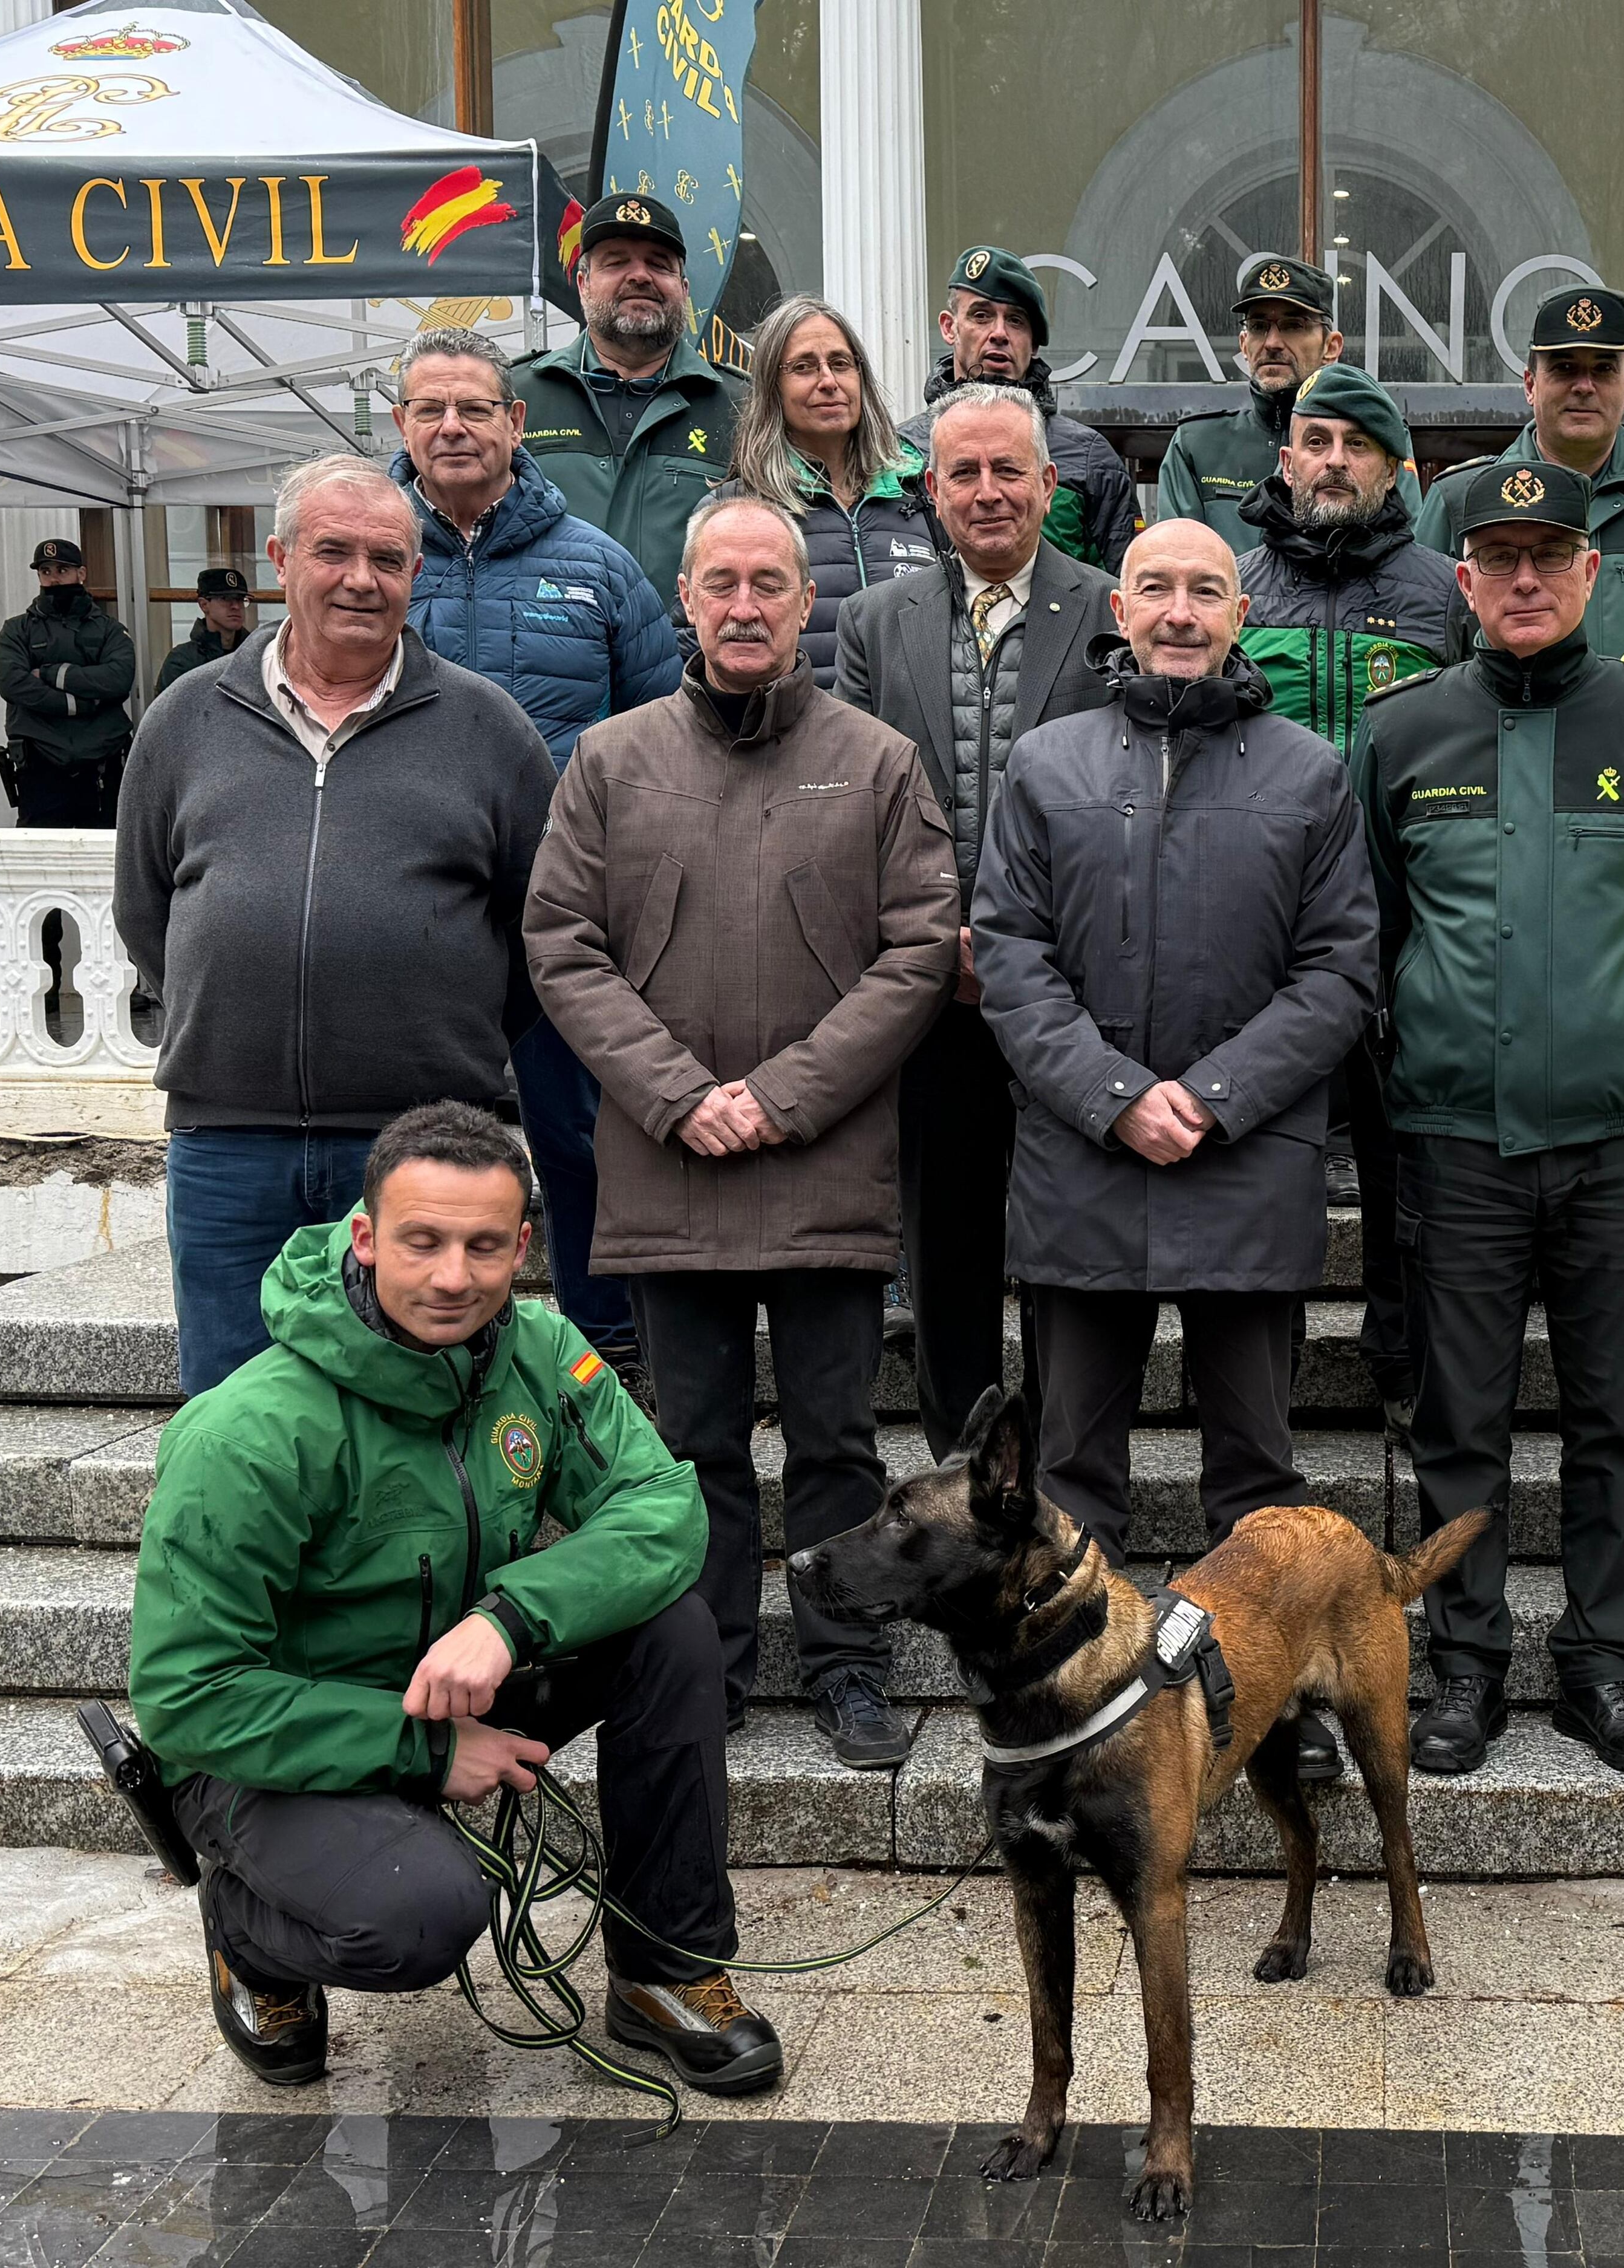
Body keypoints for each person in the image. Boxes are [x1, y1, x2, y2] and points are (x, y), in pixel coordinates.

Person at [129, 1101, 781, 2098]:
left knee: (673, 1630)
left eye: (484, 1246)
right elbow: (189, 1699)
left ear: (523, 1245)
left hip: (460, 1675)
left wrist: (508, 1619)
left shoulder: (539, 1352)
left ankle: (665, 1973)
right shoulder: (247, 1434)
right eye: (422, 1242)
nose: (453, 1277)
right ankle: (250, 1936)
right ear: (365, 1236)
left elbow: (662, 1507)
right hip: (271, 1748)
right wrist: (428, 1751)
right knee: (421, 1918)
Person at [527, 491, 959, 1765]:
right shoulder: (610, 762)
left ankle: (846, 1662)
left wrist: (783, 1096)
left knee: (834, 1441)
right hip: (670, 1171)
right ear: (686, 598)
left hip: (825, 1164)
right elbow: (561, 944)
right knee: (693, 1442)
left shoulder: (876, 761)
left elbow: (920, 948)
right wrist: (677, 1096)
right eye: (722, 582)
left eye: (769, 582)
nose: (746, 605)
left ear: (805, 601)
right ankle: (704, 1664)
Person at [1359, 463, 1624, 1780]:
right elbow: (1372, 931)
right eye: (1498, 561)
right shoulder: (1402, 730)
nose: (1524, 581)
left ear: (1592, 572)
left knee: (1615, 1417)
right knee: (1460, 1418)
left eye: (1550, 558)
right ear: (1461, 580)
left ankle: (1600, 1665)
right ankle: (1464, 1671)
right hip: (1454, 1138)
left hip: (1617, 1139)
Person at [971, 518, 1375, 1778]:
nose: (1182, 611)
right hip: (1083, 1169)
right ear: (1120, 609)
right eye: (1157, 588)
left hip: (1243, 1164)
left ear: (1239, 613)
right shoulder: (1045, 764)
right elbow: (1010, 954)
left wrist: (1204, 1097)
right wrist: (1112, 1093)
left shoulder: (1308, 771)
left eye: (1208, 589)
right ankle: (1076, 1707)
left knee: (1253, 1469)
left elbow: (1340, 968)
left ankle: (1265, 1704)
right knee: (1072, 1464)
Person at [116, 455, 554, 1398]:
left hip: (423, 1144)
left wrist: (434, 1030)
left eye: (388, 559)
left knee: (417, 1408)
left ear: (416, 574)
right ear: (280, 559)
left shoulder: (489, 729)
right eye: (334, 552)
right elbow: (147, 907)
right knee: (234, 1414)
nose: (362, 578)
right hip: (229, 1138)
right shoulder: (185, 719)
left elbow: (539, 931)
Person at [391, 324, 680, 1390]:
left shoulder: (597, 571)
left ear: (517, 424)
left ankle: (611, 1359)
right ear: (402, 426)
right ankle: (428, 1358)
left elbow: (667, 737)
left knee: (581, 1139)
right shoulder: (375, 563)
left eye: (476, 407)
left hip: (569, 919)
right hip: (418, 926)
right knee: (424, 1147)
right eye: (433, 409)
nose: (455, 427)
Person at [836, 383, 1121, 1462]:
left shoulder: (1108, 611)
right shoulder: (873, 624)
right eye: (966, 473)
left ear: (1050, 484)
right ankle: (961, 1463)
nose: (989, 493)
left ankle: (1050, 1455)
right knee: (945, 1243)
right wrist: (938, 940)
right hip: (931, 992)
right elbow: (859, 799)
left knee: (1061, 1238)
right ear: (932, 491)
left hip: (1070, 993)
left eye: (1011, 471)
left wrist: (1022, 954)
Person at [1231, 360, 1461, 1437]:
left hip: (1408, 918)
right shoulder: (1234, 586)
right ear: (1285, 457)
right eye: (1314, 441)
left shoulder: (1437, 591)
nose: (1332, 461)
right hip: (1263, 928)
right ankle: (1256, 1370)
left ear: (1394, 466)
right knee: (1270, 1161)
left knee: (1402, 1160)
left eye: (1355, 445)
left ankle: (1402, 1360)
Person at [1412, 287, 1624, 657]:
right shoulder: (1459, 497)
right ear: (1530, 385)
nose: (1584, 386)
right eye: (1564, 368)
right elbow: (1419, 639)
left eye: (1603, 369)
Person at [511, 192, 746, 594]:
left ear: (684, 289)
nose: (640, 276)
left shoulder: (742, 408)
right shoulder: (518, 398)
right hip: (549, 649)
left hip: (688, 654)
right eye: (616, 262)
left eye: (659, 264)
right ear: (583, 284)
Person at [727, 293, 938, 692]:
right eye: (804, 367)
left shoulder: (924, 495)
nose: (828, 381)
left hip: (912, 742)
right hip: (788, 742)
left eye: (841, 364)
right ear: (772, 387)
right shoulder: (739, 510)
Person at [1154, 251, 1420, 549]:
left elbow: (1409, 554)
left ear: (1331, 347)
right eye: (1258, 327)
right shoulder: (1198, 446)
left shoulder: (1374, 433)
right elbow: (1174, 565)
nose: (1272, 343)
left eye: (1294, 326)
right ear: (1244, 345)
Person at [898, 246, 1135, 574]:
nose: (999, 333)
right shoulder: (900, 453)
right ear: (949, 327)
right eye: (981, 316)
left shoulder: (1089, 458)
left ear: (1034, 343)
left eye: (1016, 321)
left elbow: (1125, 591)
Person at [0, 536, 136, 827]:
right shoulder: (16, 630)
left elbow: (118, 679)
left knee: (106, 860)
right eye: (46, 572)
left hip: (102, 766)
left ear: (81, 574)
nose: (54, 580)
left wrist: (49, 674)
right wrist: (80, 702)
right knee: (40, 862)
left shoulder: (110, 631)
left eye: (62, 571)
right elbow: (12, 683)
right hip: (40, 767)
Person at [151, 567, 251, 702]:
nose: (236, 606)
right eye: (226, 598)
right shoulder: (182, 660)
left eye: (240, 599)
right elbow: (166, 716)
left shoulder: (256, 655)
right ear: (204, 605)